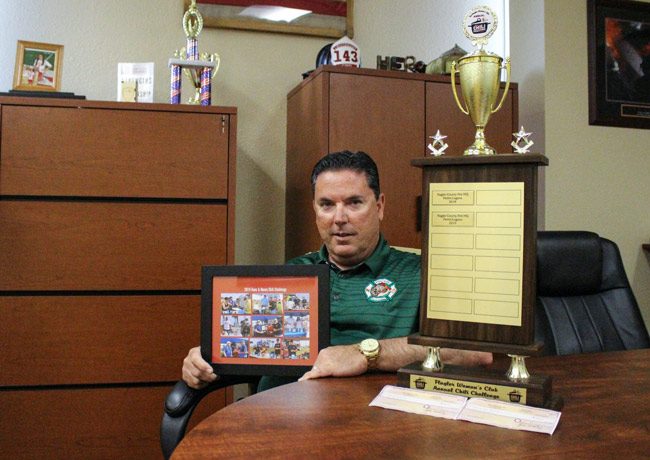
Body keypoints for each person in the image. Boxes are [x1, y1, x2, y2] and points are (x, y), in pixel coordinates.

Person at [182, 151, 492, 390]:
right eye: (327, 204)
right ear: (315, 210)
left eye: (354, 203)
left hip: (371, 423)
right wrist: (205, 357)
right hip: (282, 420)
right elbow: (248, 346)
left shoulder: (419, 273)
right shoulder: (290, 275)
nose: (339, 218)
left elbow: (474, 353)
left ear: (380, 206)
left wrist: (365, 354)